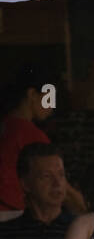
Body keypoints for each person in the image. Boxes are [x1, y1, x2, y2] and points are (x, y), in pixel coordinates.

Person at [0, 143, 74, 239]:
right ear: (26, 184)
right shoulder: (5, 233)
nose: (57, 183)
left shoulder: (80, 230)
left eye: (61, 175)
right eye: (47, 176)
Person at [0, 64, 55, 212]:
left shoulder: (6, 125)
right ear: (32, 94)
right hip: (12, 213)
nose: (52, 106)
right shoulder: (31, 134)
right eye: (49, 98)